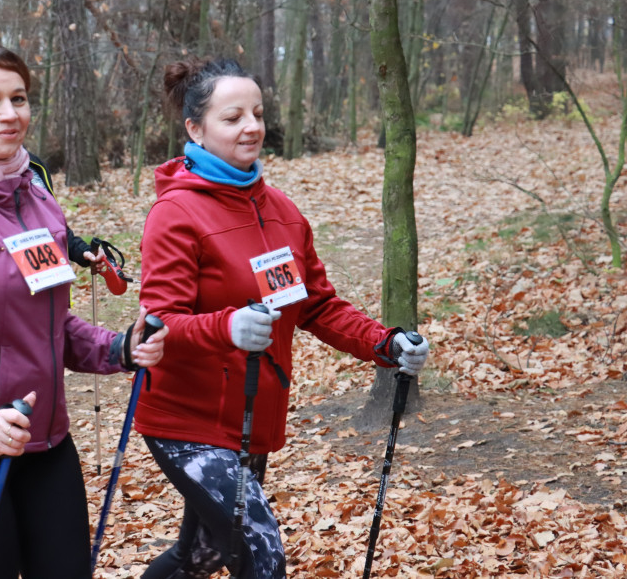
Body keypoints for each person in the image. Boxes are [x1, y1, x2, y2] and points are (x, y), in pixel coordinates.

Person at [134, 58, 431, 579]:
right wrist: (226, 325)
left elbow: (315, 304)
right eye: (232, 118)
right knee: (260, 549)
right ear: (195, 129)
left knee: (202, 553)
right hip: (188, 422)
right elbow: (158, 325)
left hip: (251, 415)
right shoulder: (176, 214)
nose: (251, 127)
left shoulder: (282, 211)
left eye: (257, 113)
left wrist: (385, 344)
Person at [0, 42, 168, 579]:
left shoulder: (37, 199)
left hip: (44, 438)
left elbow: (49, 320)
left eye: (18, 98)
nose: (10, 114)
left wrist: (117, 348)